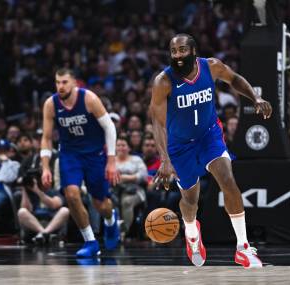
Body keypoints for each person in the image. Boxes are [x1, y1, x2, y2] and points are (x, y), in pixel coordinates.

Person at [149, 34, 272, 269]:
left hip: (209, 136)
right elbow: (157, 121)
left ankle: (243, 249)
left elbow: (234, 79)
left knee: (228, 180)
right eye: (173, 51)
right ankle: (192, 233)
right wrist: (164, 159)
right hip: (180, 145)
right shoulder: (163, 81)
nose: (177, 55)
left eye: (182, 50)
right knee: (190, 199)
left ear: (194, 51)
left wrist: (255, 98)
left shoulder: (211, 66)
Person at [41, 68, 120, 257]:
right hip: (70, 154)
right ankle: (90, 242)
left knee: (101, 204)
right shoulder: (51, 104)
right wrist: (45, 167)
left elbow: (109, 127)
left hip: (95, 154)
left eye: (64, 82)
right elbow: (46, 137)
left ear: (74, 83)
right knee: (72, 195)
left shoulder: (89, 99)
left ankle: (110, 220)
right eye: (57, 82)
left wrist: (111, 160)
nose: (60, 86)